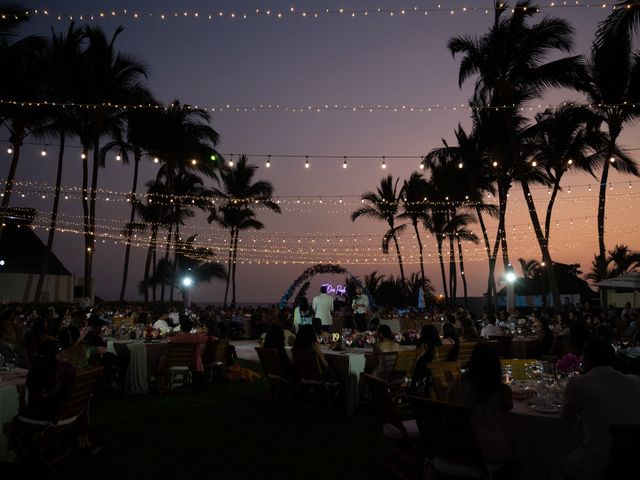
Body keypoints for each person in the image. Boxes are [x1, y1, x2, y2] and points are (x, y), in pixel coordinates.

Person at [554, 338, 640, 480]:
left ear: (587, 359)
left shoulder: (579, 383)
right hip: (634, 462)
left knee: (553, 464)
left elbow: (565, 418)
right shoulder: (636, 382)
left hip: (598, 463)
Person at [446, 343, 514, 465]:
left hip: (460, 445)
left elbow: (447, 406)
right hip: (492, 449)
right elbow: (507, 414)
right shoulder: (502, 391)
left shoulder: (458, 383)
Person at [24, 340, 76, 421]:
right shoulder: (68, 369)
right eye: (59, 350)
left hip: (47, 416)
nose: (63, 352)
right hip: (69, 413)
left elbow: (42, 396)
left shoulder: (46, 372)